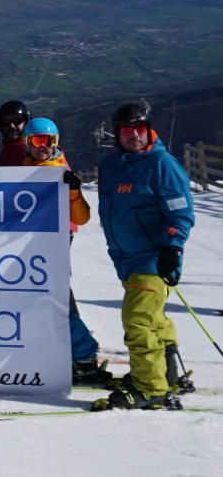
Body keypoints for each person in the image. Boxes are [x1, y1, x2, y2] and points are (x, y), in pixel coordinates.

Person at [97, 100, 195, 410]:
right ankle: (166, 374)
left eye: (140, 129)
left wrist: (172, 246)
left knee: (137, 321)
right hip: (126, 257)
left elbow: (181, 212)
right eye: (127, 130)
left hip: (152, 257)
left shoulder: (161, 165)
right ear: (117, 134)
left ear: (149, 129)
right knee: (153, 319)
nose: (134, 135)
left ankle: (149, 387)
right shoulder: (112, 166)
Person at [22, 117, 109, 385]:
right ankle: (63, 350)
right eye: (36, 140)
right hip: (30, 243)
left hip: (57, 242)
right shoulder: (26, 166)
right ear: (27, 143)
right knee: (38, 297)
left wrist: (72, 191)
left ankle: (83, 355)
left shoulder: (60, 169)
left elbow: (81, 218)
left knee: (57, 297)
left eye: (48, 141)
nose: (42, 147)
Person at [0, 100, 32, 166]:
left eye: (16, 121)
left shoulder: (34, 151)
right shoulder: (7, 150)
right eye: (6, 122)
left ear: (26, 122)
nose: (12, 126)